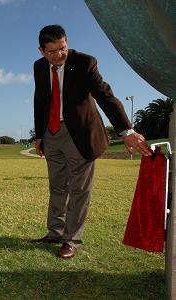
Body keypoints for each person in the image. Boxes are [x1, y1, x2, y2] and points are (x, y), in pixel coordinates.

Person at [32, 25, 150, 259]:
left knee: (78, 189)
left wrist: (126, 130)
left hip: (81, 135)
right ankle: (55, 232)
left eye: (63, 48)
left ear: (67, 42)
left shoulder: (85, 62)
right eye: (52, 51)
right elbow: (41, 99)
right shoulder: (39, 67)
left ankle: (71, 239)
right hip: (52, 133)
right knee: (57, 186)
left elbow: (105, 96)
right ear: (42, 51)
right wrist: (39, 135)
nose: (59, 55)